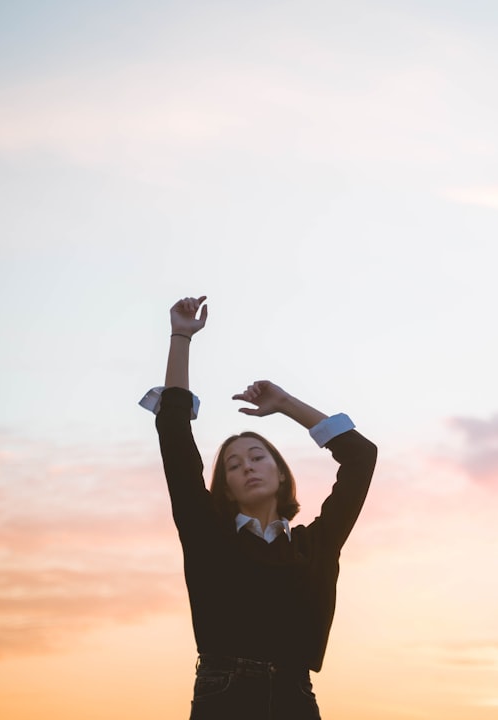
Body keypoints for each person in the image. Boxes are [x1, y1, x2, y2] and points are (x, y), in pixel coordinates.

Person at [143, 295, 377, 719]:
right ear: (226, 488)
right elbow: (174, 437)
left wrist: (287, 404)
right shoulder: (208, 535)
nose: (247, 466)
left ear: (282, 474)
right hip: (224, 695)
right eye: (233, 465)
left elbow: (361, 456)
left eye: (257, 457)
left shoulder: (315, 546)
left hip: (295, 697)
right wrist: (181, 337)